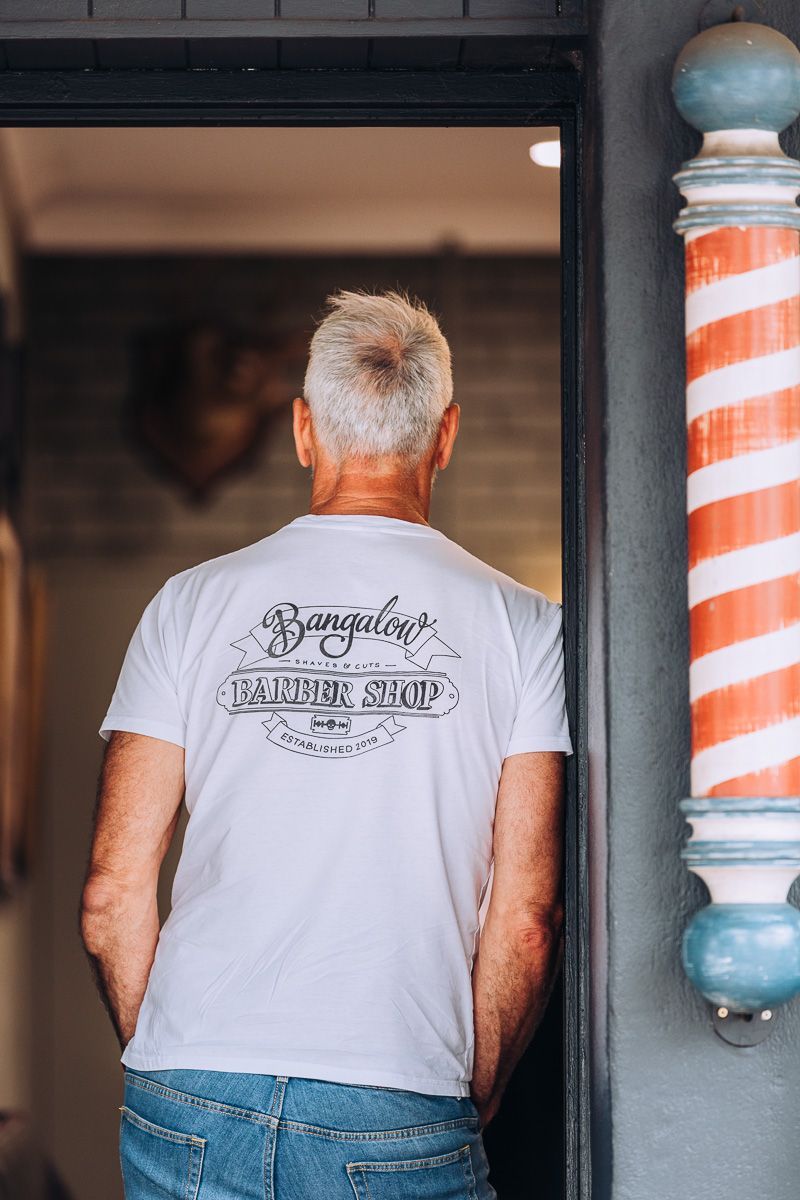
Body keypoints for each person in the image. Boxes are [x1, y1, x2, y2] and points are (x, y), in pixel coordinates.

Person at [80, 289, 573, 1200]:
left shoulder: (188, 605)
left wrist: (175, 1052)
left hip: (188, 1085)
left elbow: (111, 899)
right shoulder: (525, 627)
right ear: (447, 433)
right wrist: (472, 1089)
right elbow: (528, 920)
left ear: (304, 430)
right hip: (400, 1088)